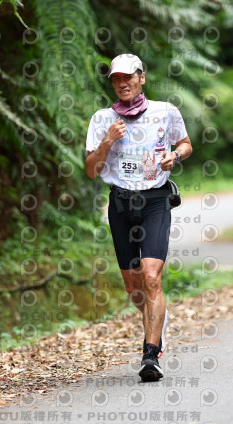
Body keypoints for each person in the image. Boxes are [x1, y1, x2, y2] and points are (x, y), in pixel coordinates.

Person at [85, 53, 193, 381]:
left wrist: (175, 156)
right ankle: (157, 318)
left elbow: (186, 144)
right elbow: (91, 170)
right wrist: (107, 141)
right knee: (135, 290)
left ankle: (151, 353)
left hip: (155, 201)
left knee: (151, 278)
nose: (122, 83)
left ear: (141, 78)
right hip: (120, 205)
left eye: (128, 77)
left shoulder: (165, 112)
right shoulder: (102, 120)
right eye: (116, 79)